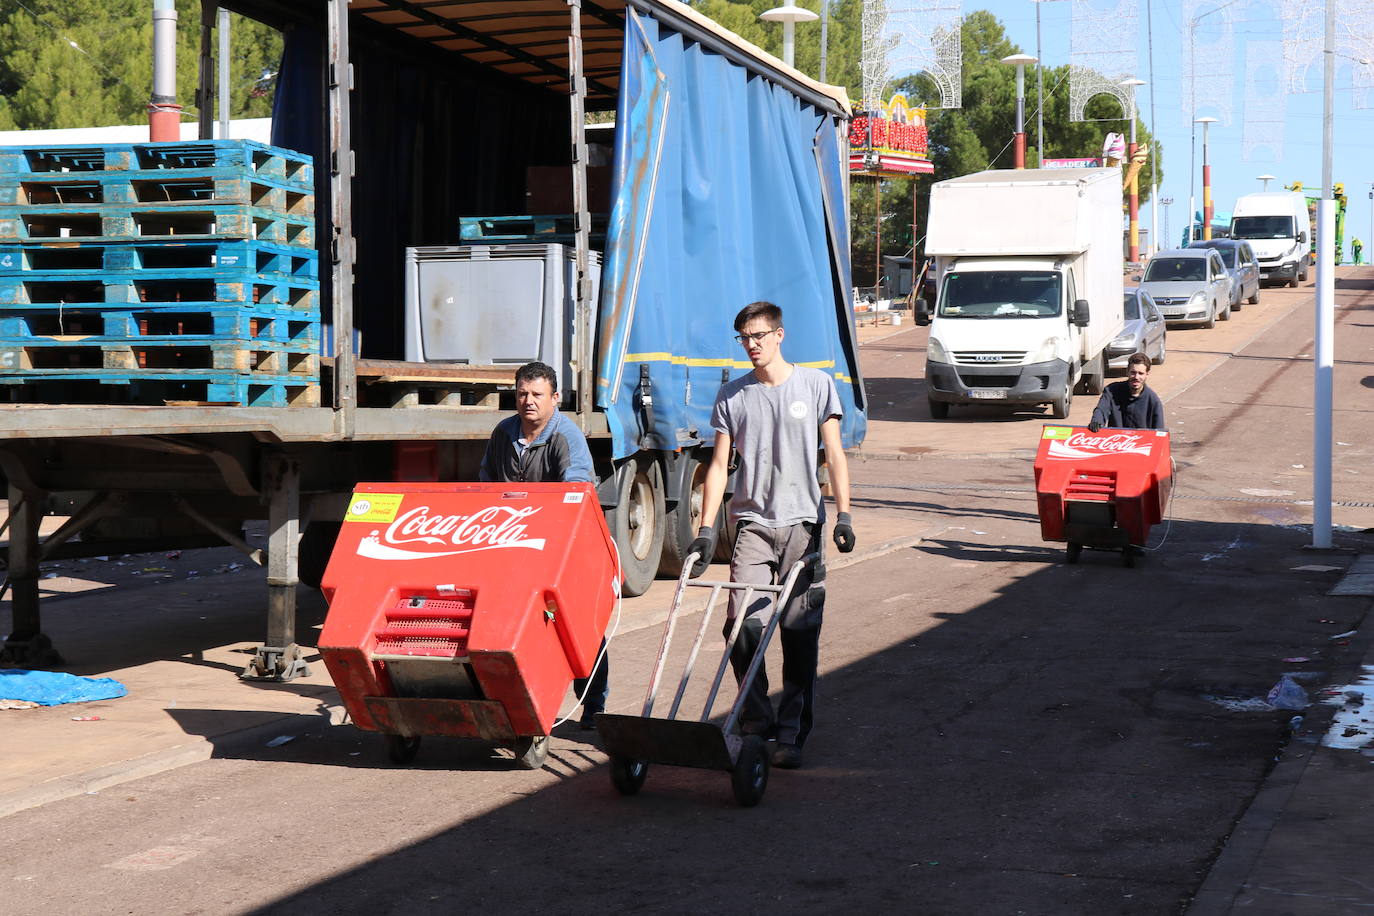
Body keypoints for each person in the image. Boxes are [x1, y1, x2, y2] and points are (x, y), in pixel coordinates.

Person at [689, 301, 855, 770]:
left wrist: (843, 515)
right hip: (753, 526)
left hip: (803, 524)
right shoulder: (732, 395)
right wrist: (705, 530)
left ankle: (791, 734)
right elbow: (719, 466)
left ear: (779, 335)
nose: (751, 345)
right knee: (742, 626)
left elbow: (835, 454)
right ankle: (757, 723)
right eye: (744, 338)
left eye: (759, 336)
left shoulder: (817, 385)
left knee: (798, 633)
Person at [479, 361, 608, 727]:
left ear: (555, 399)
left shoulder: (566, 437)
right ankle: (519, 698)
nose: (528, 401)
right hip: (510, 547)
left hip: (563, 549)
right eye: (522, 394)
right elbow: (487, 483)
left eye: (537, 395)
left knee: (578, 625)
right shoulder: (503, 433)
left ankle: (593, 703)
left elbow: (577, 495)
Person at [1088, 352, 1166, 431]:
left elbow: (1160, 433)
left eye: (1141, 373)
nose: (1136, 377)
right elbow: (1101, 409)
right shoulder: (1112, 391)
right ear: (1127, 371)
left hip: (1142, 442)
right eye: (1133, 372)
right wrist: (1096, 421)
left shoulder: (1153, 401)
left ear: (1147, 374)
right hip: (1117, 441)